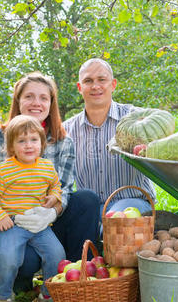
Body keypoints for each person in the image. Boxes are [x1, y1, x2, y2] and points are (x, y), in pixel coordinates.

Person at [0, 72, 100, 296]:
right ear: (18, 101)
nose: (36, 103)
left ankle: (73, 279)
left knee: (87, 199)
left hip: (46, 224)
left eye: (43, 98)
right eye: (29, 96)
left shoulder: (63, 142)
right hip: (8, 225)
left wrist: (51, 212)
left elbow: (65, 191)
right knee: (23, 259)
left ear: (51, 104)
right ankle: (20, 277)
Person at [0, 115, 63, 302]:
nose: (28, 145)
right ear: (11, 147)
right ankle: (3, 295)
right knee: (8, 257)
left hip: (39, 224)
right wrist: (0, 216)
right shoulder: (3, 170)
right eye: (21, 141)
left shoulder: (46, 167)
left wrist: (53, 198)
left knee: (57, 254)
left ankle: (48, 294)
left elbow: (55, 186)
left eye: (34, 140)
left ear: (42, 144)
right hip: (14, 223)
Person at [63, 58, 155, 218]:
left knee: (114, 220)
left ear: (113, 84)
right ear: (80, 87)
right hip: (90, 208)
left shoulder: (137, 119)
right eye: (88, 81)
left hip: (132, 201)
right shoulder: (66, 131)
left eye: (102, 80)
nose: (95, 86)